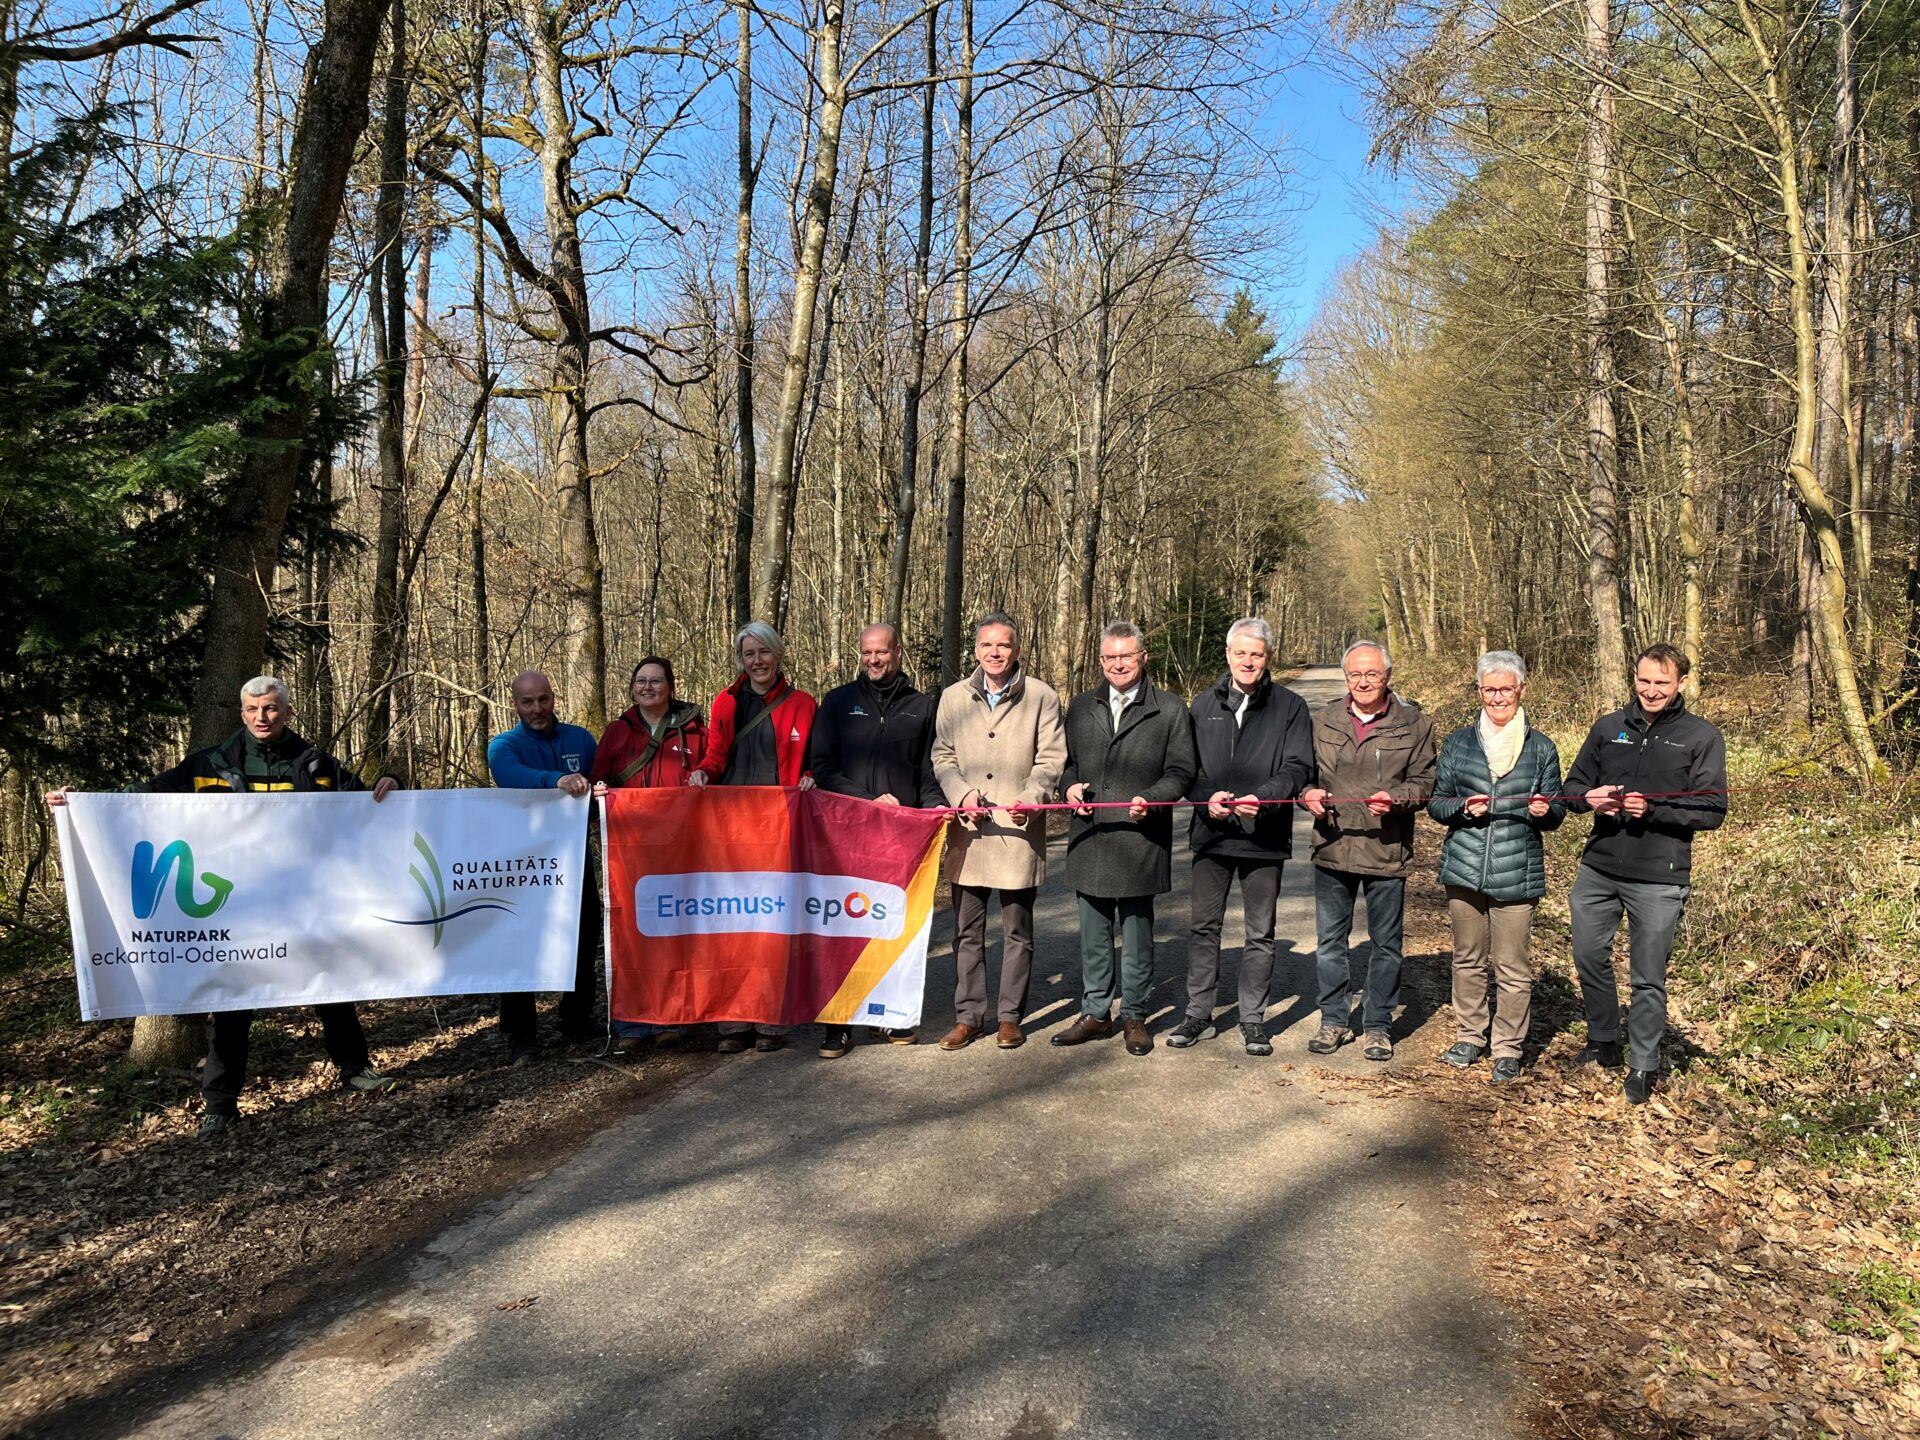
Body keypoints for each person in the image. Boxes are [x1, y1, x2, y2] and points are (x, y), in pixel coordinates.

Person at [49, 676, 401, 1138]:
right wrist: (80, 803)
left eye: (272, 708)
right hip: (235, 907)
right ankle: (220, 1104)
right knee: (233, 1005)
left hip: (305, 902)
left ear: (287, 712)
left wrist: (393, 784)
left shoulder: (314, 762)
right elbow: (147, 795)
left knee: (331, 989)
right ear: (242, 712)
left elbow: (366, 803)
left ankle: (355, 1071)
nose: (262, 716)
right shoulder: (209, 764)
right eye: (253, 708)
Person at [1563, 643, 1726, 1104]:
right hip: (1599, 866)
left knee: (1647, 975)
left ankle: (1642, 1064)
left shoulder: (1701, 736)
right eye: (1644, 680)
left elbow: (1712, 809)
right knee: (1588, 955)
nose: (1651, 690)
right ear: (1634, 678)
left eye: (1662, 682)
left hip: (1660, 874)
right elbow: (1571, 788)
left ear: (1681, 684)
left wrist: (1652, 809)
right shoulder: (1608, 728)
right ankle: (1602, 1039)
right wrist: (1587, 799)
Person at [1166, 618, 1312, 1058]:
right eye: (1240, 653)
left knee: (1259, 933)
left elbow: (1298, 767)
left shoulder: (1290, 706)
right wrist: (1208, 798)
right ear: (1228, 656)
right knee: (1203, 928)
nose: (1248, 661)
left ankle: (1252, 1020)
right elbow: (1187, 771)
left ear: (1268, 658)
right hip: (1211, 834)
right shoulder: (1203, 703)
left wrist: (1263, 799)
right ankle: (1198, 1014)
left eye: (1257, 654)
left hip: (1263, 835)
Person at [1051, 623, 1196, 1057]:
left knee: (1137, 937)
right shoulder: (1079, 706)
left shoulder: (1169, 709)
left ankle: (1134, 1014)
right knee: (1093, 936)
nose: (1118, 664)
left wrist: (1153, 798)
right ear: (1100, 661)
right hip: (1091, 837)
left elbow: (1182, 771)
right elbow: (1066, 764)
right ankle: (1096, 1013)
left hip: (1139, 838)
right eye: (1111, 657)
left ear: (1143, 657)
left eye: (1127, 656)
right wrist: (1069, 787)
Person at [1426, 651, 1565, 1085]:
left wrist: (1545, 810)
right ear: (1480, 692)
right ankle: (1470, 1035)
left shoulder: (1541, 747)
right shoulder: (1458, 742)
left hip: (1517, 871)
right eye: (1490, 689)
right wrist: (1462, 808)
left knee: (1512, 967)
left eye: (1506, 688)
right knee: (1467, 959)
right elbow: (1436, 802)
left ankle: (1507, 1047)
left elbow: (1559, 810)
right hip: (1465, 866)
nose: (1498, 697)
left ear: (1522, 689)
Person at [929, 611, 1066, 1052]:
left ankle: (1010, 1017)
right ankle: (969, 1016)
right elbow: (942, 756)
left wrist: (1034, 795)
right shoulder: (952, 697)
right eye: (987, 645)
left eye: (1003, 645)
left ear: (1017, 649)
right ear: (975, 650)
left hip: (1018, 832)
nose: (995, 652)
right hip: (968, 833)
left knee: (1017, 931)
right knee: (966, 930)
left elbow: (1050, 760)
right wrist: (960, 795)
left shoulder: (1042, 697)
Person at [808, 622, 942, 1057]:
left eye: (881, 653)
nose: (873, 661)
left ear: (897, 652)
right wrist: (867, 801)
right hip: (844, 833)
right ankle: (837, 1022)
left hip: (898, 836)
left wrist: (935, 809)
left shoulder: (922, 706)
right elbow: (823, 767)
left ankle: (885, 1016)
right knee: (843, 925)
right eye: (867, 653)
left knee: (889, 925)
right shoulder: (837, 702)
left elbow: (928, 771)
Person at [1301, 641, 1437, 1062]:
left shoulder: (1415, 724)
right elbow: (1300, 774)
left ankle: (1377, 1025)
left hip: (1386, 848)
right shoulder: (1321, 720)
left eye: (1372, 674)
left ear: (1388, 677)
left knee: (1386, 944)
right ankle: (1334, 1020)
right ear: (1346, 678)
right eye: (1355, 674)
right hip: (1333, 845)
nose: (1363, 681)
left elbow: (1426, 782)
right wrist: (1307, 793)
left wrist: (1397, 798)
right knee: (1330, 942)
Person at [689, 622, 817, 1054]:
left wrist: (811, 777)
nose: (757, 661)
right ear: (741, 659)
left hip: (779, 825)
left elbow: (812, 758)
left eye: (764, 652)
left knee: (771, 923)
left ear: (778, 655)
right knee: (732, 919)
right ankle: (732, 1020)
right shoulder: (725, 701)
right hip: (730, 826)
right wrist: (703, 771)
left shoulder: (802, 704)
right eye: (749, 654)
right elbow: (716, 752)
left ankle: (770, 1020)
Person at [592, 656, 708, 1057]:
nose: (647, 688)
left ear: (670, 686)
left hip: (681, 851)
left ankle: (672, 1017)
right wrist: (600, 795)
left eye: (655, 681)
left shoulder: (695, 733)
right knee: (630, 931)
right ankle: (633, 1020)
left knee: (674, 931)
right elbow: (597, 782)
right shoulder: (617, 733)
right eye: (640, 681)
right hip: (631, 852)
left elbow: (714, 780)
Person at [487, 669, 600, 1065]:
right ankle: (522, 1036)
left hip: (574, 859)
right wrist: (559, 779)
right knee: (521, 943)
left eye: (544, 699)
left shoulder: (580, 739)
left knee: (585, 933)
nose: (538, 709)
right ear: (515, 704)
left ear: (554, 698)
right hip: (523, 864)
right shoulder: (505, 745)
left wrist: (600, 792)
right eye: (528, 702)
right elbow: (510, 776)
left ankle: (576, 1018)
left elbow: (602, 781)